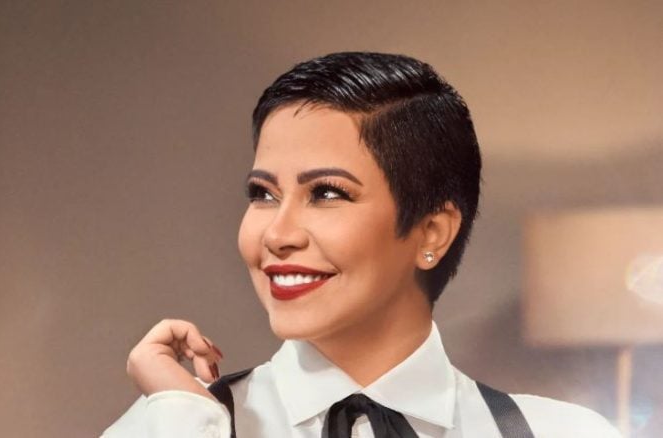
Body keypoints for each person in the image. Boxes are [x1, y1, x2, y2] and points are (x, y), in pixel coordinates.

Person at [102, 52, 620, 437]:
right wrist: (182, 419)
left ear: (432, 233)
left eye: (326, 193)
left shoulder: (566, 433)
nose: (277, 235)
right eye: (263, 194)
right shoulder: (172, 424)